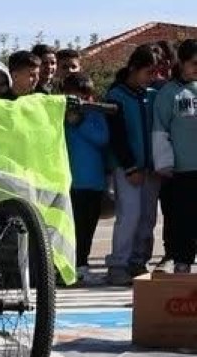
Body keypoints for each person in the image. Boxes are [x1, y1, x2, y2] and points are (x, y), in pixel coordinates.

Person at [105, 45, 161, 285]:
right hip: (128, 169)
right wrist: (129, 167)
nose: (152, 78)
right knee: (129, 215)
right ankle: (118, 264)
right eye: (148, 72)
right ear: (133, 69)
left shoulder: (151, 95)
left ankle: (139, 261)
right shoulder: (116, 96)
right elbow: (117, 136)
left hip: (150, 168)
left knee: (148, 217)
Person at [151, 39, 197, 273]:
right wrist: (164, 162)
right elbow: (160, 129)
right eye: (194, 63)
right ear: (181, 62)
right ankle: (181, 262)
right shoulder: (169, 93)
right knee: (183, 220)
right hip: (181, 170)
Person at [61, 72, 110, 283]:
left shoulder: (95, 114)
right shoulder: (59, 117)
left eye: (84, 96)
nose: (80, 101)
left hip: (94, 182)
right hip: (70, 183)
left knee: (88, 227)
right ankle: (68, 266)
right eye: (74, 97)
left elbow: (102, 138)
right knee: (71, 228)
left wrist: (80, 122)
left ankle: (82, 264)